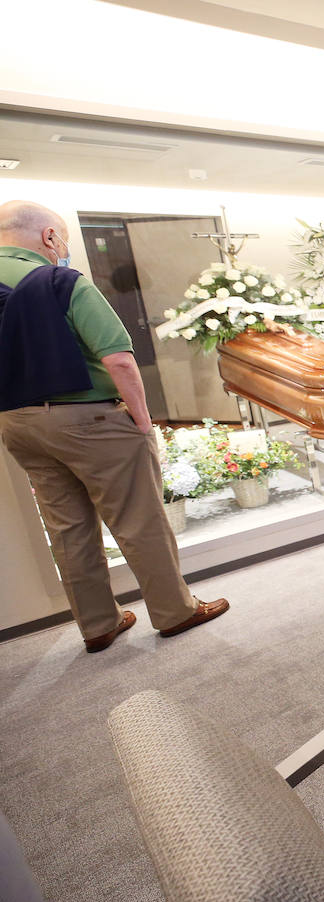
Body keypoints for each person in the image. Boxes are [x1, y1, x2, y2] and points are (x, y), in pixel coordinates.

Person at [0, 200, 228, 653]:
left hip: (15, 422)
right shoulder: (59, 280)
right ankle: (174, 610)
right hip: (88, 418)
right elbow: (119, 358)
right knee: (138, 518)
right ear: (49, 238)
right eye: (61, 238)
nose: (62, 247)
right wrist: (143, 424)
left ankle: (98, 624)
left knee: (66, 527)